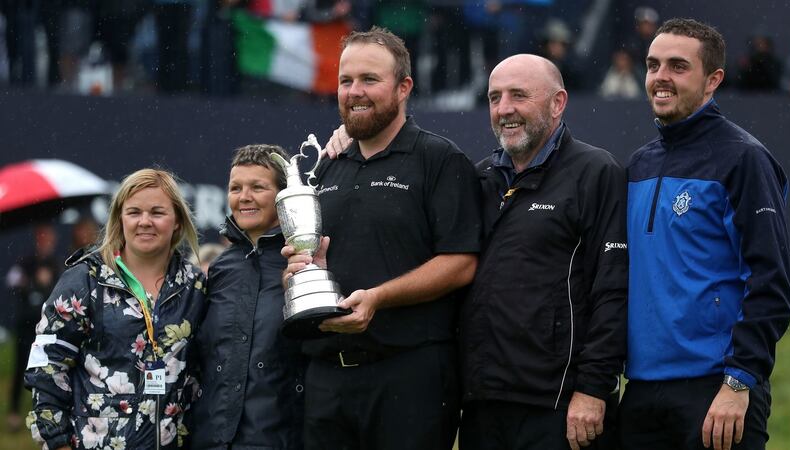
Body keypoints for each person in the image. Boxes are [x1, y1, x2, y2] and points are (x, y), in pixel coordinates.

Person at [284, 26, 482, 450]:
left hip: (409, 377)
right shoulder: (325, 168)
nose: (354, 92)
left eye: (369, 80)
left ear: (404, 87)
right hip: (326, 378)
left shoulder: (440, 159)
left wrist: (378, 297)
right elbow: (314, 257)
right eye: (345, 80)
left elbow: (462, 262)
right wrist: (302, 274)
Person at [621, 18, 790, 450]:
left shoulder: (744, 158)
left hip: (717, 391)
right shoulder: (638, 163)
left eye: (678, 66)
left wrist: (738, 382)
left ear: (713, 79)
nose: (660, 77)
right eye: (653, 64)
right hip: (640, 390)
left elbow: (771, 283)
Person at [458, 54, 627, 450]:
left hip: (561, 407)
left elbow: (614, 290)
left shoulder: (596, 172)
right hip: (483, 404)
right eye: (494, 97)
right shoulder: (479, 178)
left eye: (519, 95)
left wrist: (593, 389)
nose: (504, 109)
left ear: (558, 103)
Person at [25, 168, 207, 450]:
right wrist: (58, 443)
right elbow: (46, 371)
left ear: (178, 223)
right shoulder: (84, 280)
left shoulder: (196, 287)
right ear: (119, 219)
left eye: (157, 213)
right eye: (134, 212)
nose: (145, 222)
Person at [190, 144, 307, 449]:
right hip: (211, 440)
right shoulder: (219, 268)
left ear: (283, 195)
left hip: (280, 438)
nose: (244, 197)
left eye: (258, 187)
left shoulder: (304, 260)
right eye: (235, 188)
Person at [5, 224, 61, 432]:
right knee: (20, 366)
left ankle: (43, 412)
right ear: (38, 239)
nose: (47, 242)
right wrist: (30, 281)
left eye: (50, 238)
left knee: (46, 369)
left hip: (46, 326)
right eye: (43, 238)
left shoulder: (55, 264)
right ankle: (13, 411)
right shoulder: (27, 261)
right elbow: (12, 281)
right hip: (26, 323)